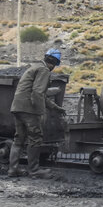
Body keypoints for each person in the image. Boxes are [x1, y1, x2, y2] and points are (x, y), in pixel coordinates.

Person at [8, 48, 66, 178]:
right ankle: (34, 171)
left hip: (17, 107)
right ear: (54, 62)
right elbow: (38, 93)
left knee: (18, 139)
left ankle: (13, 169)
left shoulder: (35, 67)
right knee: (36, 138)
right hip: (29, 109)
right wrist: (40, 112)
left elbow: (41, 95)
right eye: (55, 65)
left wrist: (55, 108)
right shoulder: (44, 70)